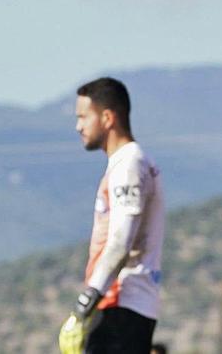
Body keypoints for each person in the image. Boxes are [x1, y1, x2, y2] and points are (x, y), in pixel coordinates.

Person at [58, 78, 165, 354]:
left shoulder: (129, 164)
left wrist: (86, 302)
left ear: (107, 117)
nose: (78, 126)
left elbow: (120, 243)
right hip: (122, 305)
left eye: (83, 117)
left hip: (122, 303)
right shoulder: (130, 163)